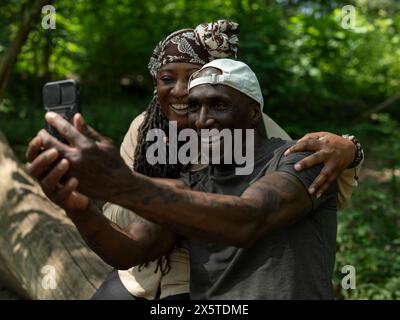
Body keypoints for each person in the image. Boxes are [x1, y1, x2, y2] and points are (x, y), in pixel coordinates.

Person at [26, 58, 364, 299]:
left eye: (218, 106)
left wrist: (118, 182)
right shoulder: (193, 186)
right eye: (195, 107)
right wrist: (79, 209)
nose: (202, 121)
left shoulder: (301, 157)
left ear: (253, 112)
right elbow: (129, 250)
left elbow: (250, 218)